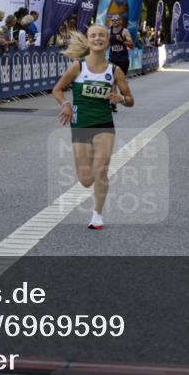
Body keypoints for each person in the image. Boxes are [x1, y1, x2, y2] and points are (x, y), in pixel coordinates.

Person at [52, 25, 134, 230]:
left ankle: (97, 215)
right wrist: (66, 105)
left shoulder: (115, 70)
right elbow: (58, 89)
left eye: (102, 35)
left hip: (104, 124)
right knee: (86, 180)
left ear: (107, 41)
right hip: (80, 124)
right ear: (88, 41)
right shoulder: (77, 67)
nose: (97, 38)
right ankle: (91, 190)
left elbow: (131, 99)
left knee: (101, 170)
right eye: (93, 35)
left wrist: (121, 99)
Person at [107, 14, 133, 112]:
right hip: (112, 59)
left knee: (120, 83)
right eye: (113, 20)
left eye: (116, 20)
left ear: (120, 21)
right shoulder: (109, 32)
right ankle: (113, 104)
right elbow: (107, 45)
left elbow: (131, 45)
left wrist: (122, 40)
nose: (114, 22)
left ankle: (123, 95)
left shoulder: (125, 31)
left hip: (123, 60)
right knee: (112, 82)